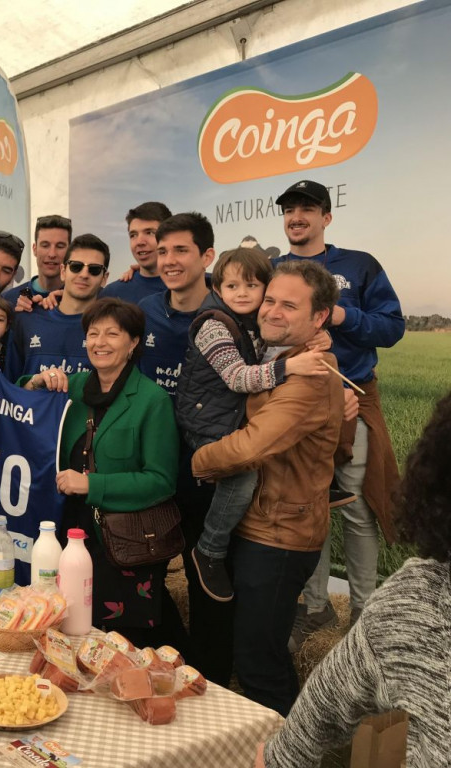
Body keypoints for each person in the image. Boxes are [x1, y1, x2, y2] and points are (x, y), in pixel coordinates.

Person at [257, 390, 451, 767]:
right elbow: (300, 735)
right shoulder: (416, 607)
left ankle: (356, 605)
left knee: (355, 516)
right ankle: (318, 604)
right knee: (322, 514)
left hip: (347, 418)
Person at [192, 259, 344, 716]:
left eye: (289, 305)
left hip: (279, 535)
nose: (272, 311)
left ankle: (287, 752)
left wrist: (196, 461)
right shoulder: (277, 355)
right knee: (250, 652)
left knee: (261, 662)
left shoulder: (312, 375)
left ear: (318, 318)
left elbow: (251, 447)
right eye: (270, 300)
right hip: (260, 522)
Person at [273, 180, 405, 646]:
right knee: (309, 505)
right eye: (290, 209)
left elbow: (393, 327)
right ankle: (314, 606)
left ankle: (364, 613)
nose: (297, 216)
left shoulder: (360, 265)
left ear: (327, 217)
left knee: (356, 508)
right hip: (293, 402)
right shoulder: (274, 268)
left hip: (352, 397)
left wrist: (344, 317)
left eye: (307, 209)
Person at [23, 298, 184, 648]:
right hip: (68, 533)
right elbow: (20, 402)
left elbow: (161, 481)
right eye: (93, 333)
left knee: (116, 643)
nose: (100, 342)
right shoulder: (73, 388)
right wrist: (35, 382)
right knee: (66, 629)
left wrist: (91, 484)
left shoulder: (151, 400)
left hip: (122, 541)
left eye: (112, 333)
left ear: (134, 342)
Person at [176, 248, 328, 601]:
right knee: (242, 478)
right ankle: (209, 549)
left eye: (252, 285)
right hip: (205, 420)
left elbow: (283, 340)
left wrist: (319, 339)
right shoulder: (213, 325)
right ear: (218, 288)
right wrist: (292, 367)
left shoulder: (251, 323)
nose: (241, 293)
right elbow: (237, 377)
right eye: (231, 285)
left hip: (227, 414)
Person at [136, 212, 234, 685]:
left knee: (204, 582)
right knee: (142, 577)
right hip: (152, 469)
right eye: (163, 251)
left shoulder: (231, 316)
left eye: (181, 251)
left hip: (205, 476)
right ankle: (157, 671)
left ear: (207, 256)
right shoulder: (145, 309)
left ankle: (211, 684)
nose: (169, 261)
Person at [4, 233, 110, 382]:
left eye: (94, 270)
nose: (84, 274)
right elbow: (10, 386)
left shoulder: (112, 330)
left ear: (104, 278)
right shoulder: (27, 317)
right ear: (63, 271)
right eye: (76, 266)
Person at [100, 202, 171, 303]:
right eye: (133, 235)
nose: (139, 242)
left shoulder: (189, 288)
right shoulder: (112, 295)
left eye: (149, 233)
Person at [4, 215, 72, 310]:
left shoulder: (83, 300)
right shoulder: (9, 301)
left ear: (70, 251)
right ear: (34, 249)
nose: (52, 254)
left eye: (60, 246)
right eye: (45, 246)